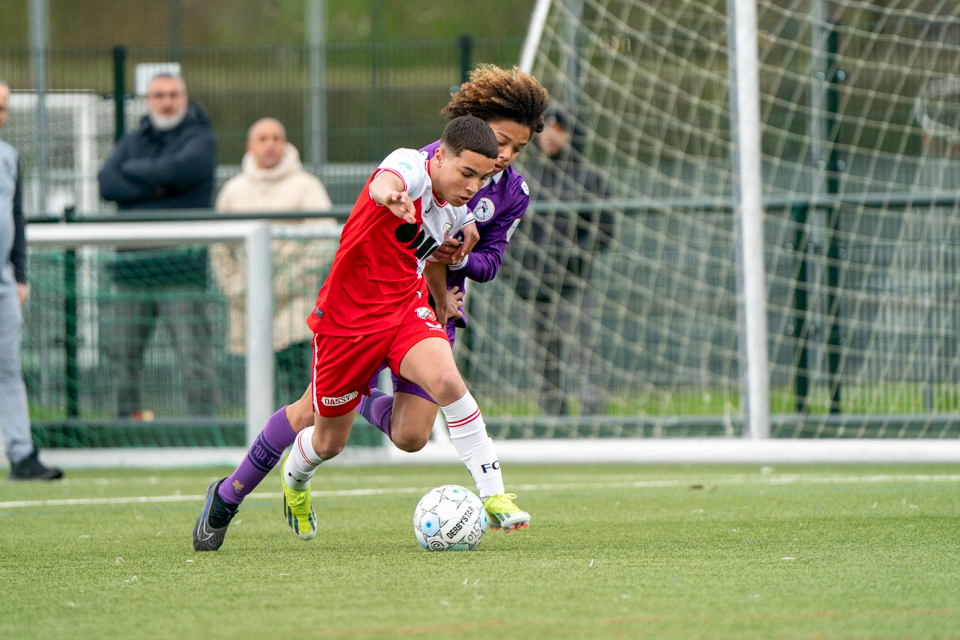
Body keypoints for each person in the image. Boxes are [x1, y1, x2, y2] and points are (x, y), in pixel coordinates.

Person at [194, 116, 530, 551]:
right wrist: (388, 194)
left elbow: (431, 251)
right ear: (441, 156)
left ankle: (495, 496)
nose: (472, 186)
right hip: (346, 323)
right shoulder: (409, 167)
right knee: (326, 438)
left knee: (446, 386)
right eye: (467, 173)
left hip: (405, 308)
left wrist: (442, 293)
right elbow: (386, 180)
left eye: (482, 178)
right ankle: (233, 495)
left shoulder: (457, 207)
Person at [355, 64, 549, 449]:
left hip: (436, 312)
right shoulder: (431, 163)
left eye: (518, 148)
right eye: (501, 141)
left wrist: (456, 259)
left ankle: (355, 399)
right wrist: (431, 255)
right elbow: (390, 214)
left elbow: (490, 264)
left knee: (411, 437)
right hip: (383, 301)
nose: (506, 154)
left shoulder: (515, 193)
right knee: (316, 411)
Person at [97, 73, 219, 418]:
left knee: (193, 355)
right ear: (148, 99)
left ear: (185, 96)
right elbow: (107, 182)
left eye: (174, 94)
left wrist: (134, 178)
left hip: (181, 267)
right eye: (159, 95)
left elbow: (182, 171)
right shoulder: (133, 138)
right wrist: (160, 185)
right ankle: (123, 424)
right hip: (131, 268)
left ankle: (204, 427)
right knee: (121, 353)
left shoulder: (201, 138)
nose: (167, 101)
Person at [212, 117, 335, 401]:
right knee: (255, 384)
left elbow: (325, 238)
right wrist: (234, 286)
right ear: (249, 146)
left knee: (296, 378)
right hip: (247, 302)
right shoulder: (234, 190)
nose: (270, 145)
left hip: (294, 301)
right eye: (263, 138)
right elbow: (220, 247)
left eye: (276, 138)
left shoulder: (307, 186)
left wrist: (293, 278)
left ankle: (300, 439)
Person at [516, 106, 614, 417]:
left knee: (583, 354)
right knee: (543, 359)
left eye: (559, 128)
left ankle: (592, 420)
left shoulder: (588, 179)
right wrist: (518, 270)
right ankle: (552, 420)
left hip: (573, 283)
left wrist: (576, 258)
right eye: (545, 128)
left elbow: (603, 228)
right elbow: (508, 231)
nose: (550, 136)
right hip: (533, 286)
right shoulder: (524, 179)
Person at [0, 79, 63, 480]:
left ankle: (22, 454)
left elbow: (16, 218)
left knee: (8, 368)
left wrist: (19, 274)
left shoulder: (8, 155)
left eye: (4, 108)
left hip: (3, 280)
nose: (0, 115)